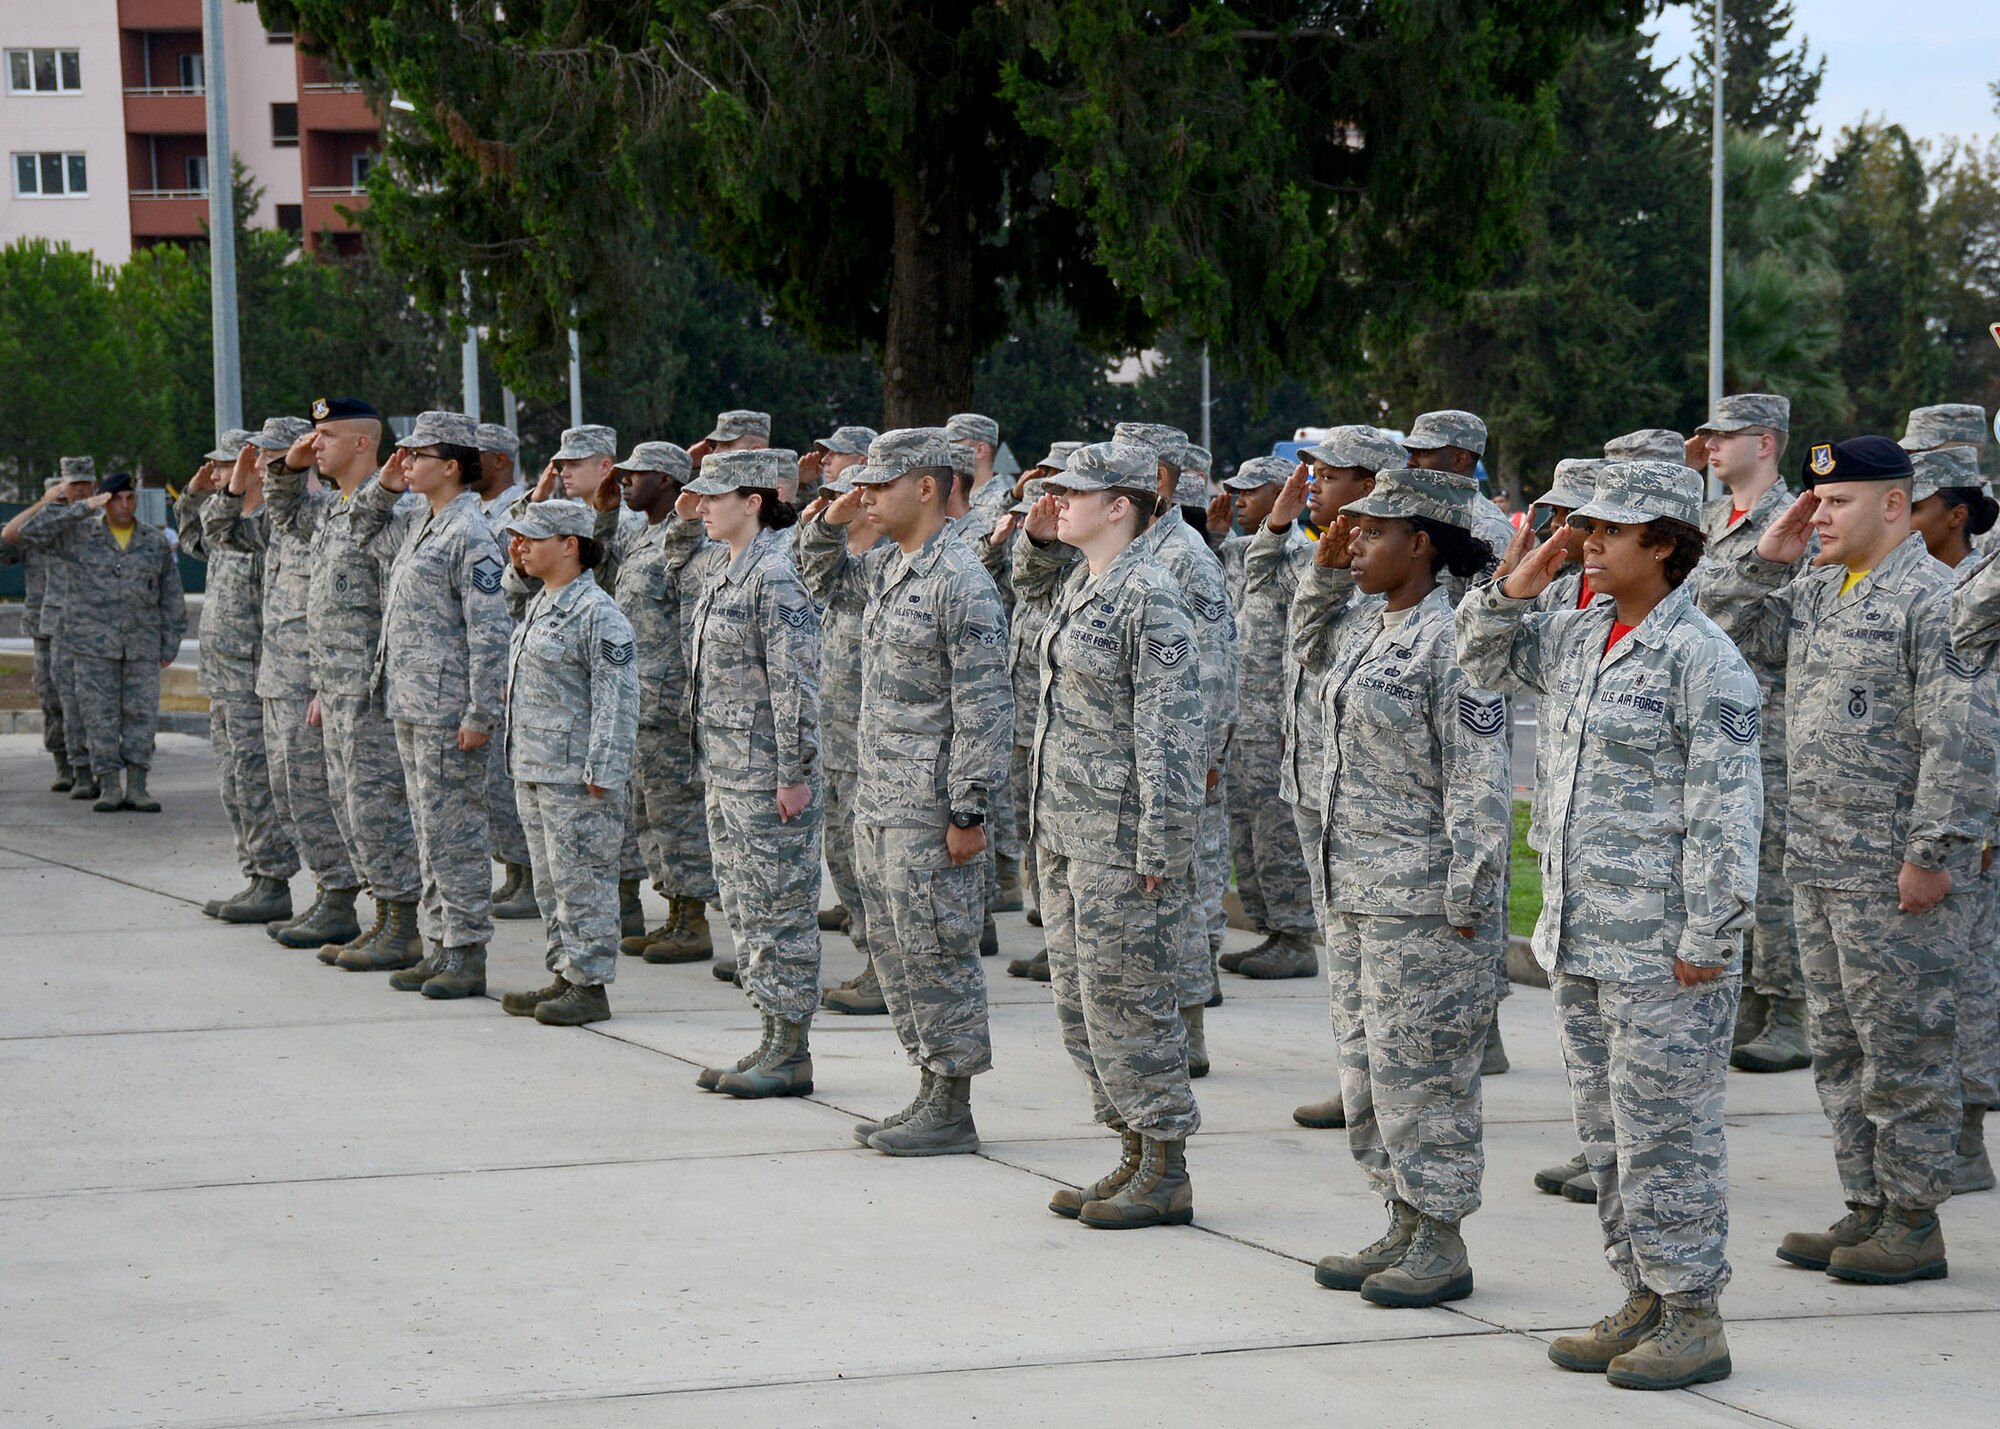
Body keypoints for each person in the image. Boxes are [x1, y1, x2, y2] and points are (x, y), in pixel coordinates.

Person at [1461, 459, 1762, 1390]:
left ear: (1663, 543)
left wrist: (1708, 940)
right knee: (1607, 1135)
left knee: (1669, 1134)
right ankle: (1641, 1292)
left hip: (1665, 951)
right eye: (1583, 528)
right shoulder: (1581, 632)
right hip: (1583, 937)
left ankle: (1695, 1312)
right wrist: (1528, 571)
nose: (1587, 542)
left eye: (1606, 532)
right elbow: (1477, 649)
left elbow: (1726, 809)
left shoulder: (1703, 656)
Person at [1704, 436, 1982, 1288]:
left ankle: (1915, 1218)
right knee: (1838, 1048)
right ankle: (1866, 1202)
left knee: (1904, 1048)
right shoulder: (1818, 586)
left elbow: (1960, 738)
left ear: (1894, 506)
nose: (1818, 515)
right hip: (1819, 860)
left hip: (1893, 872)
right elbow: (1722, 630)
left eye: (1837, 504)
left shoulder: (1936, 600)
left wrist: (1931, 851)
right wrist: (1766, 557)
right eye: (1816, 502)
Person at [1292, 465, 1511, 1309]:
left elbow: (1479, 779)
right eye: (1351, 528)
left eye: (1373, 531)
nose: (1352, 543)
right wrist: (1322, 560)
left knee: (1426, 1074)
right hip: (1355, 889)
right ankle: (1403, 1212)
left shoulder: (1455, 636)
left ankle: (1443, 1234)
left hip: (1423, 901)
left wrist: (1469, 896)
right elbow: (1303, 641)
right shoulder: (1366, 624)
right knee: (1369, 1069)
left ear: (1421, 544)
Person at [800, 429, 1013, 1154]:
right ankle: (928, 1082)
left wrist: (969, 808)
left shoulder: (962, 579)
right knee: (895, 951)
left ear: (926, 487)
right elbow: (821, 580)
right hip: (882, 802)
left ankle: (953, 1100)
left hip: (930, 810)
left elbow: (985, 703)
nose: (866, 497)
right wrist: (830, 520)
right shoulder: (891, 566)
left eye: (879, 485)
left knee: (938, 950)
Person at [1024, 440, 1204, 1229]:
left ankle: (1166, 1167)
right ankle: (1130, 1148)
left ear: (1120, 505)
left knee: (1131, 1003)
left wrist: (1162, 845)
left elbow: (1171, 731)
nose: (1059, 501)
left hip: (1121, 840)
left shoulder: (1150, 596)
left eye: (1076, 492)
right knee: (1081, 1005)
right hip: (1067, 827)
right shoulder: (1083, 582)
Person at [1245, 426, 1406, 1130]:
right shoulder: (1324, 552)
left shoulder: (1400, 567)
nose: (1312, 480)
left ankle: (1390, 1092)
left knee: (1381, 961)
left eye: (1330, 472)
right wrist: (1279, 523)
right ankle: (1356, 1081)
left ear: (1370, 481)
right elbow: (1266, 591)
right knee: (1343, 954)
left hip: (1374, 793)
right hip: (1316, 776)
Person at [348, 411, 511, 999]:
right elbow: (360, 531)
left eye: (418, 456)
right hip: (412, 702)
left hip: (449, 709)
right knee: (427, 831)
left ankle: (467, 952)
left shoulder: (472, 533)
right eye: (405, 453)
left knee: (457, 832)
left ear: (451, 466)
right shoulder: (420, 520)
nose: (407, 461)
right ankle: (441, 943)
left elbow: (490, 630)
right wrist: (387, 486)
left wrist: (479, 711)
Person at [679, 449, 827, 1097]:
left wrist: (794, 772)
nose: (702, 506)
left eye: (716, 496)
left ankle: (791, 1048)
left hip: (769, 775)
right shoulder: (724, 569)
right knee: (745, 906)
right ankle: (770, 1032)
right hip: (728, 770)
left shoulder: (776, 576)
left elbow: (795, 684)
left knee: (781, 908)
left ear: (755, 501)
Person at [269, 397, 424, 972]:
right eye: (314, 436)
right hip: (334, 688)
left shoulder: (393, 513)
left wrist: (378, 683)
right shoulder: (334, 509)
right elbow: (284, 517)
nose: (318, 445)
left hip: (371, 691)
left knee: (378, 805)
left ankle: (403, 925)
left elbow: (397, 609)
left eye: (327, 435)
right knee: (349, 805)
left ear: (364, 443)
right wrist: (289, 466)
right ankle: (382, 916)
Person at [205, 417, 364, 952]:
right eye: (264, 461)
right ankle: (325, 891)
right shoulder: (280, 520)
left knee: (319, 793)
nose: (265, 470)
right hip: (276, 676)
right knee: (289, 793)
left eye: (273, 460)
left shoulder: (318, 517)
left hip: (309, 679)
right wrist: (235, 482)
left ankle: (339, 895)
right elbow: (219, 532)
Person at [1686, 394, 1809, 1074]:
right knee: (1730, 863)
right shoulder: (1708, 520)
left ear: (1765, 442)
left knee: (1776, 868)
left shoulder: (1797, 523)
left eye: (1724, 436)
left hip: (1771, 714)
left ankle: (1790, 1009)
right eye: (1707, 435)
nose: (1709, 446)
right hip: (1711, 718)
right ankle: (1753, 1002)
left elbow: (1785, 618)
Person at [1497, 456, 1607, 1205]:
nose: (1567, 532)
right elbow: (1484, 656)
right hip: (1570, 855)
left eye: (1583, 519)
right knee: (1585, 1033)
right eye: (1559, 517)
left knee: (1640, 1051)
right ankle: (1599, 1145)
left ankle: (1622, 1155)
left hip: (1639, 875)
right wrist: (1509, 589)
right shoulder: (1570, 607)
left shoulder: (1680, 625)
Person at [1116, 422, 1237, 1083]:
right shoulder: (1131, 551)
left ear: (1158, 480)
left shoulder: (1185, 557)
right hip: (1136, 758)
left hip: (1182, 759)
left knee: (1185, 892)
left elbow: (1215, 666)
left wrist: (1203, 755)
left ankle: (1187, 1030)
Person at [495, 500, 642, 1025]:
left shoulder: (596, 613)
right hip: (535, 767)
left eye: (533, 538)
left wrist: (605, 770)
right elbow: (508, 587)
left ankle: (590, 983)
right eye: (518, 538)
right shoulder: (542, 600)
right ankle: (564, 971)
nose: (520, 546)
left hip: (577, 775)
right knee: (552, 883)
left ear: (570, 545)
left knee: (584, 881)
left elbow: (618, 698)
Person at [1400, 410, 1512, 1070]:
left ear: (1463, 460)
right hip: (1423, 704)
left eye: (1428, 454)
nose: (1415, 462)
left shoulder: (1485, 527)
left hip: (1472, 707)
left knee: (1474, 858)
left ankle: (1483, 1019)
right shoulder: (1422, 513)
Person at [1910, 448, 2000, 1195]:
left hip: (1983, 806)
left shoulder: (1976, 578)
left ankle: (1965, 1138)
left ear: (1958, 510)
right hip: (1948, 799)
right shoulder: (1925, 585)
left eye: (1920, 499)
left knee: (1969, 978)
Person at [595, 440, 718, 966]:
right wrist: (601, 515)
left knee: (675, 814)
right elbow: (598, 578)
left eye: (635, 474)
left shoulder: (688, 541)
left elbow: (696, 620)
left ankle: (693, 921)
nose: (624, 481)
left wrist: (690, 697)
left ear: (667, 480)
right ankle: (671, 909)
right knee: (646, 814)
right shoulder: (638, 536)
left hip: (668, 704)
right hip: (635, 701)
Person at [177, 431, 300, 924]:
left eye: (226, 467)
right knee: (233, 783)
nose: (219, 476)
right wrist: (194, 494)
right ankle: (255, 875)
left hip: (254, 678)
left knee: (255, 783)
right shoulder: (229, 526)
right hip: (223, 677)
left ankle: (272, 880)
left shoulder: (270, 526)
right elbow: (192, 538)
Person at [18, 471, 186, 813]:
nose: (125, 505)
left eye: (130, 498)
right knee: (99, 717)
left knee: (141, 716)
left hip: (141, 645)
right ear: (104, 501)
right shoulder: (80, 536)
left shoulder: (153, 542)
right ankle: (109, 784)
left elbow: (171, 596)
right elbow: (29, 533)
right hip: (92, 648)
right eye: (117, 499)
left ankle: (137, 787)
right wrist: (82, 508)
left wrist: (170, 644)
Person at [1213, 455, 1319, 990]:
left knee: (1277, 833)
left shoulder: (1301, 556)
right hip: (1239, 720)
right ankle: (1272, 928)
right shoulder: (1240, 553)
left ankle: (1296, 935)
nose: (1238, 500)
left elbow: (1306, 642)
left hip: (1274, 722)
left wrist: (1294, 719)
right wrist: (1213, 536)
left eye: (1251, 492)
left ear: (1283, 494)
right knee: (1246, 832)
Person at [995, 442, 1083, 979]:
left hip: (1062, 724)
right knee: (1040, 837)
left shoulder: (1087, 564)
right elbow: (1016, 583)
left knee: (1064, 842)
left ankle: (1067, 944)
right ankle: (1057, 939)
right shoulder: (1049, 560)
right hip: (1032, 719)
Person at [810, 460, 893, 1015]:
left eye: (846, 501)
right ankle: (872, 956)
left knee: (875, 867)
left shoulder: (888, 568)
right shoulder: (848, 572)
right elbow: (811, 562)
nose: (834, 510)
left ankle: (888, 969)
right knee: (842, 859)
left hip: (879, 755)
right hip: (836, 746)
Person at [472, 421, 537, 921]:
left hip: (518, 654)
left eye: (474, 454)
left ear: (498, 460)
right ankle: (513, 871)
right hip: (485, 656)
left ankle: (530, 875)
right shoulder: (469, 512)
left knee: (515, 777)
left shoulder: (524, 511)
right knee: (496, 782)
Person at [3, 458, 99, 793]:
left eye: (85, 484)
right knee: (51, 697)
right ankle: (63, 762)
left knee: (86, 700)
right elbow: (8, 538)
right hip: (45, 625)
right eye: (72, 485)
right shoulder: (39, 530)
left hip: (87, 625)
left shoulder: (95, 524)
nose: (78, 491)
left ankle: (89, 765)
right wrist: (43, 505)